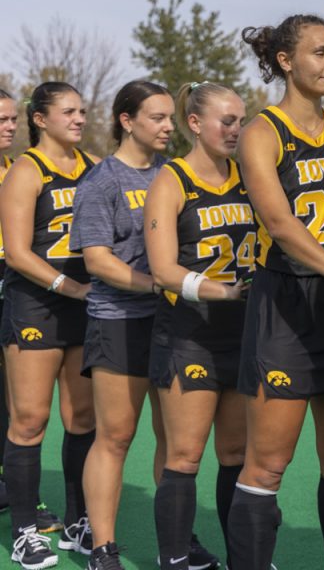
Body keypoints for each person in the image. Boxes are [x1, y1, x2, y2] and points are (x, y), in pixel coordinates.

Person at [229, 14, 324, 570]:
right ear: (285, 61)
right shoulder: (261, 133)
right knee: (267, 466)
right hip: (287, 309)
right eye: (319, 52)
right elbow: (279, 224)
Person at [71, 80, 220, 570]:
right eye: (155, 118)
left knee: (175, 443)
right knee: (115, 437)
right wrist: (158, 283)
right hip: (120, 324)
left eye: (169, 117)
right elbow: (96, 260)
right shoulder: (103, 181)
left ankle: (175, 542)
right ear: (126, 120)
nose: (167, 126)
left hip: (174, 325)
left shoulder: (172, 175)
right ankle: (103, 548)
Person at [145, 83, 253, 568]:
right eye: (225, 121)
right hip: (189, 336)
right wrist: (223, 291)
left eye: (240, 121)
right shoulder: (172, 180)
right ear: (194, 123)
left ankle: (242, 558)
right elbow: (163, 269)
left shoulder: (249, 176)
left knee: (235, 454)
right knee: (185, 456)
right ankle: (174, 559)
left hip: (243, 336)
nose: (235, 130)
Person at [0, 82, 97, 569]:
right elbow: (17, 253)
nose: (79, 118)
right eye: (68, 111)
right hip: (37, 305)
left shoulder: (93, 168)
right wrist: (70, 287)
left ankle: (79, 520)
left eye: (82, 111)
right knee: (30, 420)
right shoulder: (25, 170)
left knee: (82, 419)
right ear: (41, 119)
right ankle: (22, 530)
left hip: (85, 305)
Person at [0, 87, 18, 513]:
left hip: (12, 280)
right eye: (2, 120)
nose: (10, 126)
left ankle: (11, 489)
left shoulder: (16, 169)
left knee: (9, 396)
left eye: (12, 118)